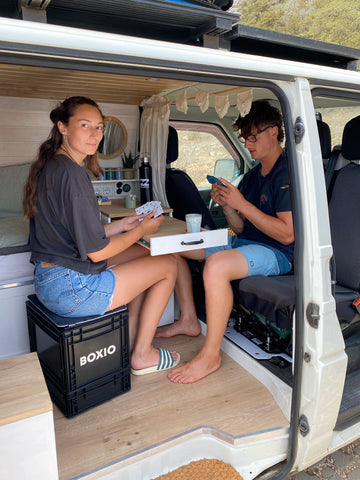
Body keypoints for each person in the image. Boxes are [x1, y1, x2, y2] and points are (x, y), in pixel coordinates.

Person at [23, 96, 179, 375]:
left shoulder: (53, 167)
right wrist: (143, 229)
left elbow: (76, 235)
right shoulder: (72, 176)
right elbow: (98, 252)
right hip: (72, 290)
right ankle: (142, 354)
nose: (95, 134)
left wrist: (123, 225)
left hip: (50, 281)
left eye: (99, 127)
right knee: (168, 265)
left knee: (146, 254)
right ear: (63, 127)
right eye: (85, 125)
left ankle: (129, 340)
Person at [159, 99, 294, 383]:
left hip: (278, 253)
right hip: (247, 245)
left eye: (253, 136)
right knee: (173, 245)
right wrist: (230, 206)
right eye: (245, 137)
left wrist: (242, 204)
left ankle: (210, 356)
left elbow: (287, 233)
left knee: (217, 265)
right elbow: (241, 228)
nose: (248, 143)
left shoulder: (288, 172)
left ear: (274, 131)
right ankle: (189, 320)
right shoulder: (254, 174)